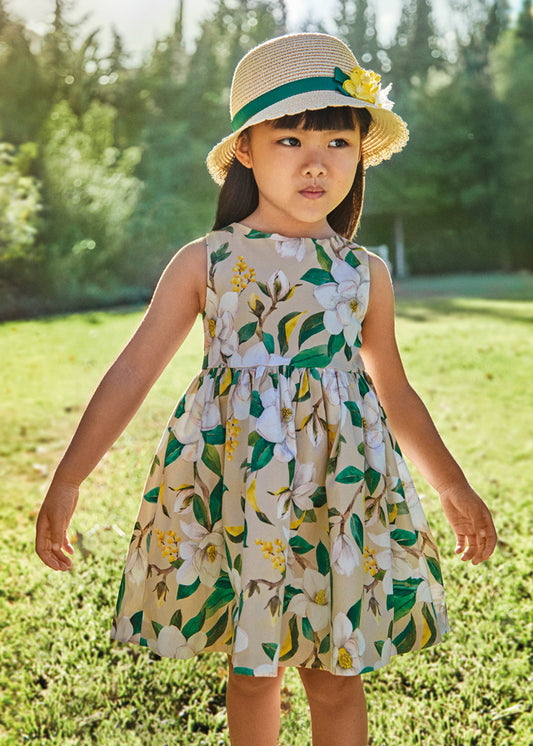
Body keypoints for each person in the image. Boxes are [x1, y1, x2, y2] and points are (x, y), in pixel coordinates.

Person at [36, 33, 497, 746]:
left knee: (337, 673)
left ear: (359, 154)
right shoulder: (207, 262)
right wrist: (69, 478)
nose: (315, 161)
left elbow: (395, 392)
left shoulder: (362, 273)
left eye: (338, 142)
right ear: (245, 150)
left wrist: (454, 487)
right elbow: (132, 371)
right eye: (288, 139)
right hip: (240, 487)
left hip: (335, 496)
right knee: (253, 672)